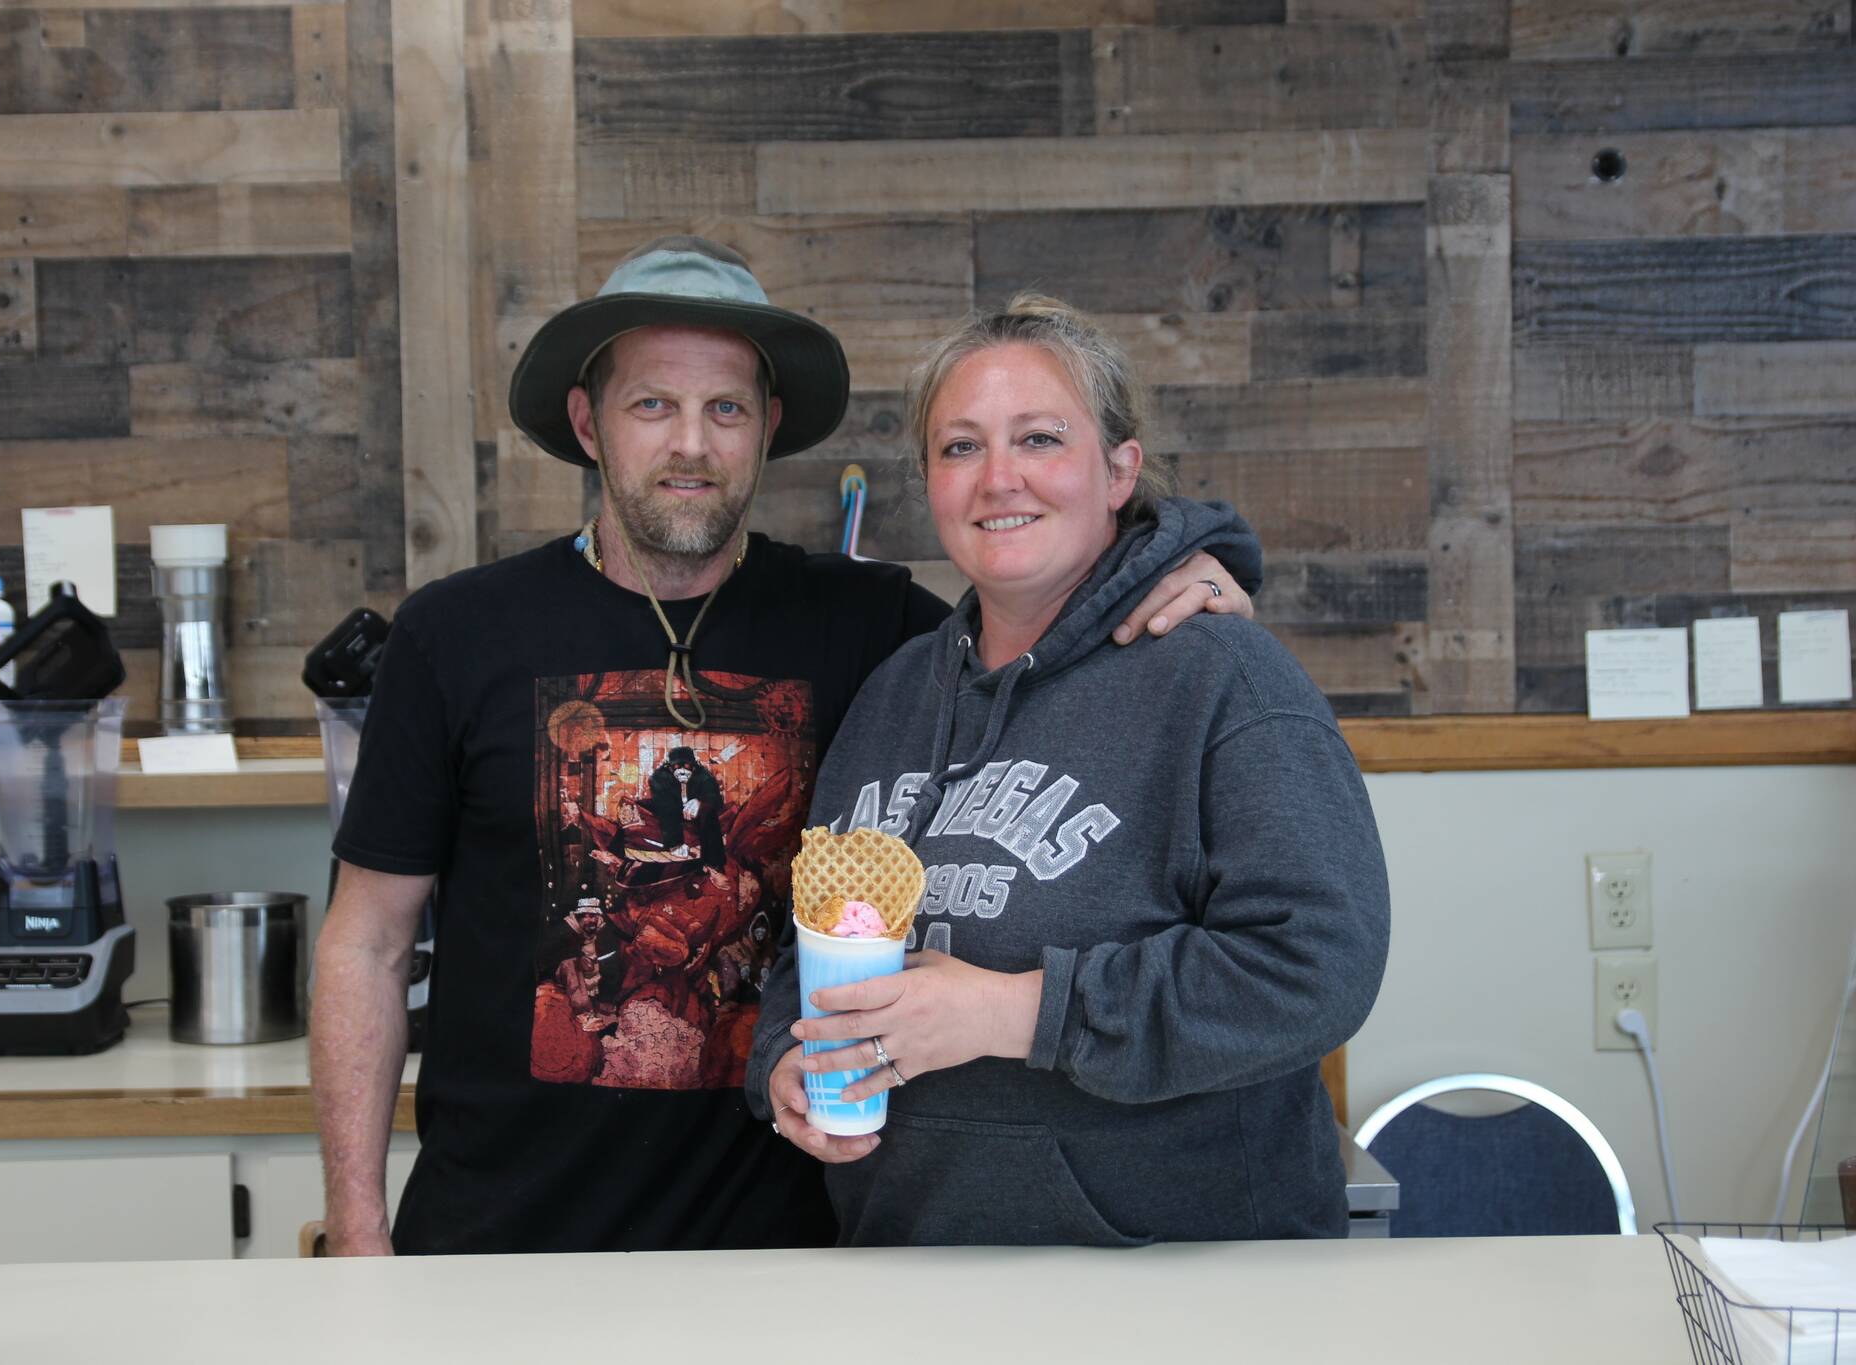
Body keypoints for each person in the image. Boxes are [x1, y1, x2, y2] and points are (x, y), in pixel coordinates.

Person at [310, 238, 1260, 1256]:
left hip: (787, 1249)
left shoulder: (873, 628)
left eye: (725, 408)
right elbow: (366, 943)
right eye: (651, 405)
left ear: (765, 427)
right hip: (498, 1244)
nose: (691, 444)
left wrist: (1195, 563)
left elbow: (1046, 609)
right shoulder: (456, 635)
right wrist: (357, 1227)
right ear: (588, 424)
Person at [748, 294, 1390, 1245]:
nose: (998, 478)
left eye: (1040, 438)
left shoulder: (1223, 676)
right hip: (911, 1267)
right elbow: (809, 944)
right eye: (960, 447)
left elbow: (1317, 966)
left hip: (1183, 1282)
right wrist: (783, 1059)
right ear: (929, 482)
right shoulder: (892, 696)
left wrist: (1013, 1012)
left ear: (1119, 469)